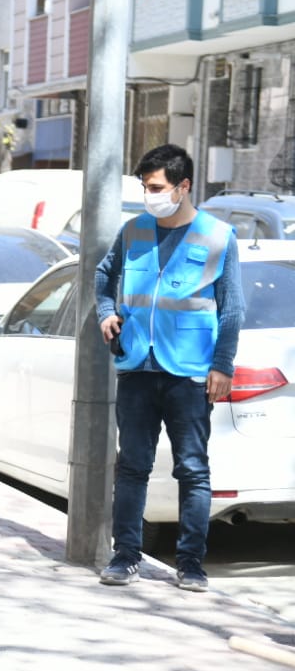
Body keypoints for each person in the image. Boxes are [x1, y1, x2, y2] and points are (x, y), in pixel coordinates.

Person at [94, 144, 243, 592]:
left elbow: (231, 309)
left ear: (183, 186)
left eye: (156, 187)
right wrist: (106, 312)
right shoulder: (134, 230)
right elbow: (104, 276)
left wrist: (223, 365)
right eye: (144, 186)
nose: (149, 194)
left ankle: (191, 564)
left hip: (191, 372)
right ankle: (125, 557)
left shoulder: (218, 236)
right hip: (138, 365)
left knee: (193, 470)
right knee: (132, 467)